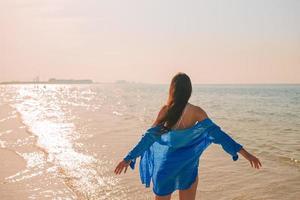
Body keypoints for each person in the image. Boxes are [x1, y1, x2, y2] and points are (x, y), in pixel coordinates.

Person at [114, 72, 262, 200]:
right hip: (187, 168)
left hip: (165, 168)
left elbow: (149, 138)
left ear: (172, 90)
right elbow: (219, 135)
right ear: (189, 91)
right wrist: (246, 154)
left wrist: (128, 158)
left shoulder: (166, 111)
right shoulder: (197, 112)